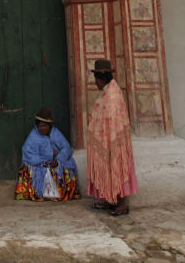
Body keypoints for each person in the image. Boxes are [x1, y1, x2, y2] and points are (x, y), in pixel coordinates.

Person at [86, 59, 137, 216]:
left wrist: (110, 139)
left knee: (118, 167)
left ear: (101, 78)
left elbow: (113, 120)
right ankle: (110, 200)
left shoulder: (112, 94)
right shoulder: (109, 91)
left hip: (115, 140)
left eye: (96, 79)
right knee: (110, 167)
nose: (95, 83)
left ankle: (122, 204)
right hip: (110, 138)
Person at [14, 107, 80, 202]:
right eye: (40, 126)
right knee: (28, 169)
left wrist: (58, 160)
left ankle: (59, 194)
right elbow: (27, 152)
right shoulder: (33, 136)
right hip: (39, 163)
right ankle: (39, 193)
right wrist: (43, 161)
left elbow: (66, 148)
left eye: (45, 126)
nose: (42, 128)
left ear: (49, 126)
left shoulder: (55, 133)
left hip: (55, 162)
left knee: (66, 167)